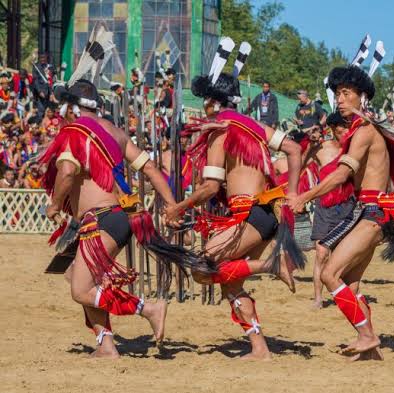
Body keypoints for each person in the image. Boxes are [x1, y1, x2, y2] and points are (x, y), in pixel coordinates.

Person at [39, 77, 211, 358]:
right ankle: (106, 345)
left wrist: (54, 205)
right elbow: (152, 168)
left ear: (72, 109)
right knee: (76, 274)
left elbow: (67, 172)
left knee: (80, 290)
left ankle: (149, 309)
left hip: (102, 220)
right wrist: (171, 206)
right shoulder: (117, 133)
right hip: (121, 217)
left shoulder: (74, 132)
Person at [173, 46, 304, 359]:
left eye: (204, 102)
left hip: (249, 215)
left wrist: (178, 208)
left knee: (202, 267)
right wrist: (294, 192)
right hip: (265, 214)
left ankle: (271, 265)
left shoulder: (220, 131)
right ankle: (260, 348)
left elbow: (209, 187)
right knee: (231, 283)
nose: (202, 108)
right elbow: (295, 150)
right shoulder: (256, 127)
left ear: (211, 102)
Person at [289, 64, 394, 361]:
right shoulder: (362, 130)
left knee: (331, 273)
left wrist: (304, 196)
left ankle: (367, 335)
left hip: (372, 213)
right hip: (369, 212)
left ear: (362, 97)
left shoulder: (364, 131)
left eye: (346, 93)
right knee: (352, 283)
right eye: (337, 94)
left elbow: (340, 175)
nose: (340, 99)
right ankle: (371, 351)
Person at [309, 111, 355, 309]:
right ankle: (318, 297)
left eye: (347, 127)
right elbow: (299, 153)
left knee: (343, 254)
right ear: (334, 129)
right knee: (321, 253)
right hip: (325, 206)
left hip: (348, 205)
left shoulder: (356, 149)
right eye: (342, 128)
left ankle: (342, 293)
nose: (345, 131)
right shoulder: (322, 148)